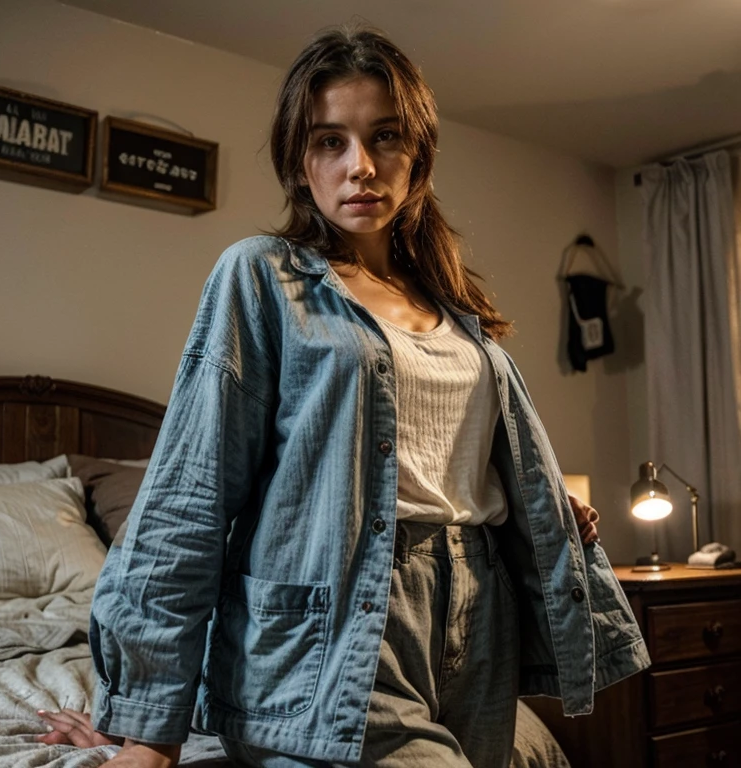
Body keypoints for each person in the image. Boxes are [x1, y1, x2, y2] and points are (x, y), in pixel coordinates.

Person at [37, 24, 649, 768]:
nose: (360, 165)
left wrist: (540, 503)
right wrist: (148, 735)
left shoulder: (456, 310)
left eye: (384, 136)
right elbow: (189, 500)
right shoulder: (263, 278)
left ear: (417, 156)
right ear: (300, 162)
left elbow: (452, 468)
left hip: (478, 622)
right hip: (334, 627)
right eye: (330, 141)